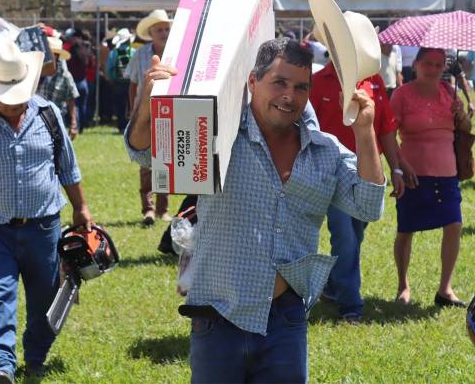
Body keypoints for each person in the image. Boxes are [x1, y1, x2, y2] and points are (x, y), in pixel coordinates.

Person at [125, 38, 385, 383]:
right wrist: (148, 100)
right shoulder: (218, 134)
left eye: (300, 87)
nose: (289, 96)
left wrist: (364, 130)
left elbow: (369, 205)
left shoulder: (326, 153)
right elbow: (143, 153)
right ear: (252, 82)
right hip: (218, 317)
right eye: (279, 82)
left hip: (285, 321)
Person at [0, 40, 93, 383]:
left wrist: (81, 206)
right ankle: (1, 365)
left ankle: (36, 354)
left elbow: (67, 167)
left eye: (18, 98)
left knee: (45, 297)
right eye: (6, 99)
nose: (14, 106)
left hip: (44, 229)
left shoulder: (48, 115)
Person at [311, 61, 403, 322]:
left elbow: (384, 127)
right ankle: (351, 304)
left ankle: (331, 286)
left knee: (356, 236)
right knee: (345, 238)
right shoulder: (318, 81)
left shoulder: (373, 81)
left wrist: (396, 169)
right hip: (333, 176)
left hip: (367, 175)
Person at [390, 47, 471, 308]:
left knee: (454, 225)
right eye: (427, 63)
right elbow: (388, 135)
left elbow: (465, 129)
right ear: (416, 65)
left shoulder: (449, 92)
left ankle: (445, 289)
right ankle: (403, 285)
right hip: (414, 172)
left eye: (438, 64)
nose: (433, 69)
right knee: (406, 229)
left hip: (447, 173)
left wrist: (462, 117)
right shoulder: (402, 94)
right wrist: (400, 167)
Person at [125, 9, 172, 225]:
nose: (163, 33)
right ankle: (148, 209)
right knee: (145, 163)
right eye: (159, 30)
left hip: (168, 113)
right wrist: (134, 111)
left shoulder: (176, 52)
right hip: (145, 115)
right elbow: (133, 84)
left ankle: (163, 209)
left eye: (166, 29)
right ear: (151, 33)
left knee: (165, 160)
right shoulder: (141, 54)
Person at [36, 35, 79, 139]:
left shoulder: (65, 76)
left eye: (54, 54)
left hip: (56, 121)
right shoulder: (35, 72)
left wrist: (73, 124)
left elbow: (71, 100)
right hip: (36, 120)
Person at [106, 28, 136, 133]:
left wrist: (111, 79)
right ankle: (132, 125)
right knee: (132, 104)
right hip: (132, 82)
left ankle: (121, 127)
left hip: (118, 83)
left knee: (120, 106)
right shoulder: (133, 52)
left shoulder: (113, 53)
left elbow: (109, 69)